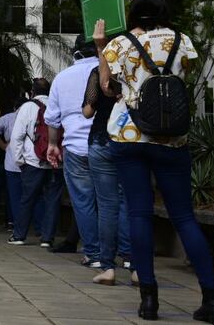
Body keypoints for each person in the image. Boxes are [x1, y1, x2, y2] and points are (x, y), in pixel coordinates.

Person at [96, 0, 214, 323]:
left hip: (128, 137)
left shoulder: (119, 44)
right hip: (171, 140)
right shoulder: (182, 41)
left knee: (138, 214)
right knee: (184, 217)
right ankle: (212, 299)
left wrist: (101, 46)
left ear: (133, 8)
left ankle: (149, 301)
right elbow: (184, 77)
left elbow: (106, 87)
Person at [45, 36, 101, 266]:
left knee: (83, 202)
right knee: (113, 201)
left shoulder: (62, 77)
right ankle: (127, 255)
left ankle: (94, 254)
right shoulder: (108, 71)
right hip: (107, 143)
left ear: (76, 51)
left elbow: (52, 118)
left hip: (75, 146)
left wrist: (52, 144)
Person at [82, 46, 133, 286]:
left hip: (102, 140)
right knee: (130, 203)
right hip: (131, 140)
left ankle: (108, 268)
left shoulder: (97, 72)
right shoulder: (135, 70)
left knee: (107, 206)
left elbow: (87, 111)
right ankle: (134, 264)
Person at [8, 78, 64, 248]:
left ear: (32, 92)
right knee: (53, 200)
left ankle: (19, 235)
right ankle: (47, 238)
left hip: (33, 161)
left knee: (27, 199)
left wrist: (19, 160)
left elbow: (17, 136)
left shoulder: (27, 107)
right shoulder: (59, 105)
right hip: (56, 163)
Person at [0, 97, 42, 234]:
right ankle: (39, 228)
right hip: (32, 160)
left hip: (12, 162)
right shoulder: (36, 114)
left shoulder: (8, 117)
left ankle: (19, 228)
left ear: (15, 107)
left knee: (15, 198)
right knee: (35, 196)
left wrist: (3, 146)